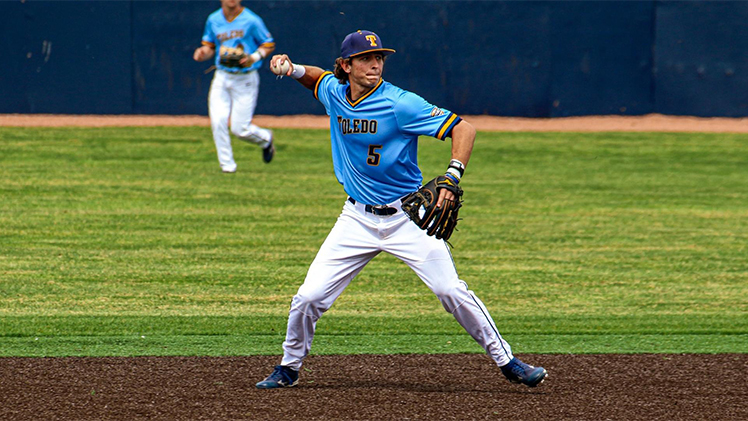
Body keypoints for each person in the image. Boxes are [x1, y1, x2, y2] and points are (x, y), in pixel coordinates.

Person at [256, 30, 547, 389]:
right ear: (346, 66)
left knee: (450, 291)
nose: (375, 64)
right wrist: (293, 68)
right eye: (365, 59)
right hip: (356, 219)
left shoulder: (401, 103)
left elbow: (464, 128)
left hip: (408, 218)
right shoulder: (336, 92)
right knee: (308, 297)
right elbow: (317, 80)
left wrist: (453, 176)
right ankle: (289, 367)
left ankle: (508, 361)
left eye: (379, 58)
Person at [193, 0, 276, 173]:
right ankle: (227, 167)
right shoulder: (213, 19)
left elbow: (268, 43)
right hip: (222, 76)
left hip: (245, 78)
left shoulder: (251, 20)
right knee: (218, 121)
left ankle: (266, 139)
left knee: (240, 128)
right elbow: (209, 46)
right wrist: (202, 53)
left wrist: (254, 57)